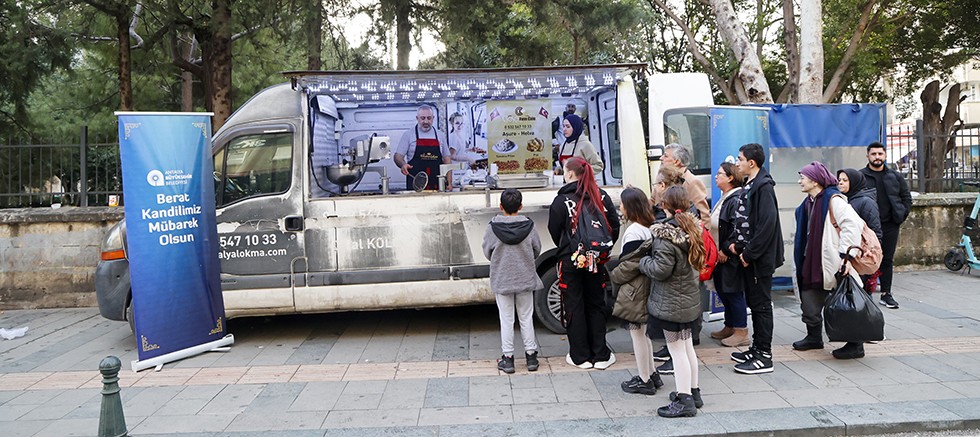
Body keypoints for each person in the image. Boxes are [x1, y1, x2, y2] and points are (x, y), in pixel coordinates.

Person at [639, 185, 706, 418]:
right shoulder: (692, 228)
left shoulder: (666, 234)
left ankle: (684, 400)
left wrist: (644, 262)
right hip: (688, 301)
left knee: (677, 351)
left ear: (664, 205)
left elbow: (661, 270)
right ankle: (693, 392)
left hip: (671, 304)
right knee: (687, 348)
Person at [548, 156, 620, 370]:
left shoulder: (561, 201)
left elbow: (554, 230)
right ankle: (601, 354)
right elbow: (613, 227)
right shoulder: (602, 196)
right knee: (596, 303)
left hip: (570, 260)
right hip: (595, 259)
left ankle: (580, 356)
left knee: (573, 304)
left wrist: (569, 249)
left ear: (570, 174)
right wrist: (599, 250)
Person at [792, 162, 866, 359]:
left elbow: (852, 226)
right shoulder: (807, 203)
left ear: (815, 181)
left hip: (835, 261)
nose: (800, 181)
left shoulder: (834, 201)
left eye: (803, 177)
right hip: (811, 262)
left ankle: (855, 344)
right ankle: (813, 337)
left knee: (845, 303)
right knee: (809, 300)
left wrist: (846, 257)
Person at [730, 143, 784, 374]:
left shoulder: (763, 187)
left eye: (740, 159)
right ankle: (756, 347)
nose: (737, 163)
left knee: (761, 305)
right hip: (748, 256)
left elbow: (767, 225)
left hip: (758, 259)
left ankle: (764, 356)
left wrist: (749, 254)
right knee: (755, 303)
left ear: (752, 163)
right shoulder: (750, 184)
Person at [609, 187, 664, 395]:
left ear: (630, 207)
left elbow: (629, 265)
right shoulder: (648, 225)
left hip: (635, 289)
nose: (620, 207)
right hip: (646, 286)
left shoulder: (634, 231)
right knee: (643, 333)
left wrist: (614, 276)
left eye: (622, 203)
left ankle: (644, 379)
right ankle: (651, 373)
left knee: (637, 334)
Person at [483, 188, 543, 374]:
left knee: (506, 319)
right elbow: (537, 249)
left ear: (501, 206)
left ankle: (508, 359)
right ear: (521, 206)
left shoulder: (492, 227)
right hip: (525, 277)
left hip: (502, 279)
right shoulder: (530, 226)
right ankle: (531, 356)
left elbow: (487, 252)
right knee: (526, 318)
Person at [860, 142, 912, 309]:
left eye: (880, 154)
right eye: (873, 154)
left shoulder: (895, 176)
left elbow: (906, 198)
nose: (877, 157)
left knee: (887, 260)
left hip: (890, 225)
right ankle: (865, 293)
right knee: (867, 259)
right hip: (868, 227)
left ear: (885, 156)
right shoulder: (861, 176)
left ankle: (886, 294)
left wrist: (900, 216)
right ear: (868, 156)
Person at [709, 162, 749, 347]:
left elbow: (737, 228)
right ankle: (730, 325)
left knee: (733, 292)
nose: (716, 177)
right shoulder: (725, 197)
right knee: (724, 290)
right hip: (718, 254)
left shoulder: (736, 198)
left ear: (730, 178)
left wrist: (725, 249)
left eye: (720, 174)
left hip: (729, 255)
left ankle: (741, 331)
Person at [837, 168, 883, 292]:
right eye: (839, 180)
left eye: (845, 180)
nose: (840, 182)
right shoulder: (843, 200)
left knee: (860, 293)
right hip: (849, 251)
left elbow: (875, 230)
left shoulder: (866, 202)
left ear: (854, 182)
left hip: (861, 253)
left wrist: (870, 251)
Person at [394, 105, 453, 190]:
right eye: (423, 118)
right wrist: (403, 165)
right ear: (417, 118)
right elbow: (397, 156)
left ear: (433, 118)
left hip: (437, 186)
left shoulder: (440, 135)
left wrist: (449, 182)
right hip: (415, 186)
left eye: (429, 118)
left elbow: (447, 160)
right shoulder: (408, 135)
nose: (426, 121)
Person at [660, 144, 710, 225]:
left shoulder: (692, 182)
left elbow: (704, 217)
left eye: (665, 156)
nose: (661, 158)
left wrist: (696, 236)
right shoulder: (662, 179)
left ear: (677, 162)